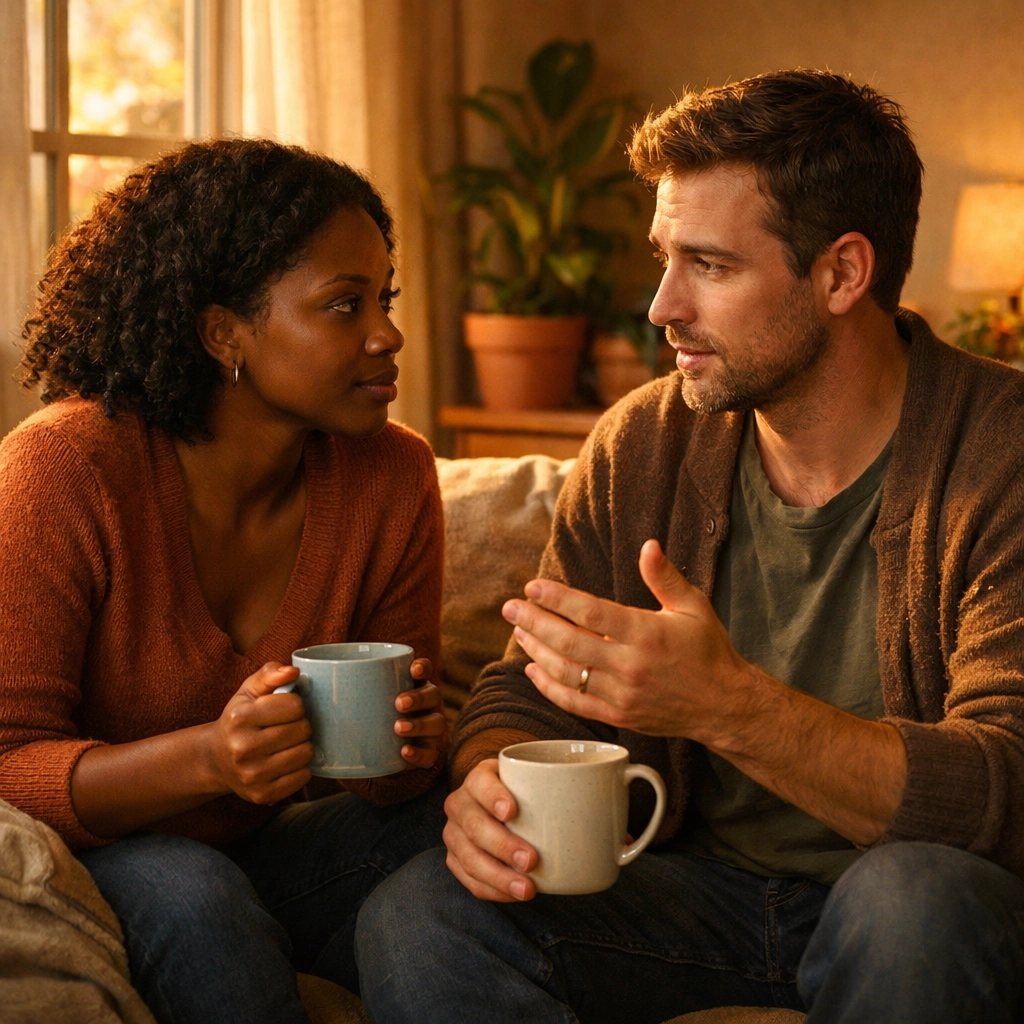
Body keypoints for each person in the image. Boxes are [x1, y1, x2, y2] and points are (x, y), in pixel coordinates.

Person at [355, 70, 1024, 1023]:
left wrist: (725, 704)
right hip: (701, 898)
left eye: (708, 265)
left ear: (842, 273)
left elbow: (1007, 784)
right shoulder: (646, 442)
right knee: (425, 908)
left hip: (928, 912)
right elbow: (523, 686)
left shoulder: (1001, 457)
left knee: (913, 898)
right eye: (665, 258)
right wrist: (491, 782)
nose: (662, 305)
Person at [0, 138, 449, 1024]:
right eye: (344, 304)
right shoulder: (65, 469)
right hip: (92, 860)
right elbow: (4, 763)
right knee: (194, 889)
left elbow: (375, 778)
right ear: (223, 333)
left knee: (472, 817)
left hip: (275, 853)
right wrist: (208, 757)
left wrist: (414, 748)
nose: (387, 333)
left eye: (385, 298)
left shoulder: (391, 476)